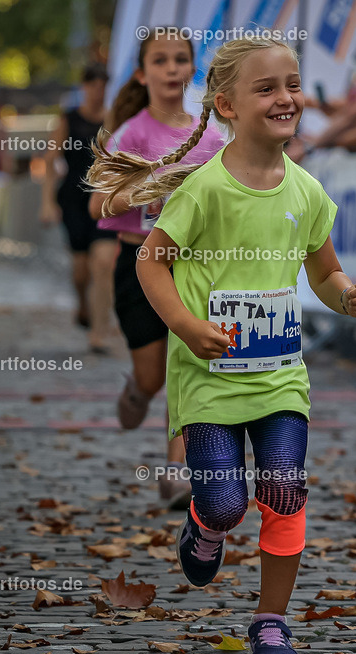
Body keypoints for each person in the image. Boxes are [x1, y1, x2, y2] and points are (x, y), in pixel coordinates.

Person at [89, 37, 356, 654]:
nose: (286, 98)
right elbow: (150, 261)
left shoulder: (306, 190)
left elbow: (323, 274)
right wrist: (188, 327)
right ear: (225, 105)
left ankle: (270, 623)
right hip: (209, 380)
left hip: (280, 380)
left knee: (284, 489)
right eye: (267, 88)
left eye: (292, 84)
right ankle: (207, 524)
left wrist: (347, 296)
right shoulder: (204, 190)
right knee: (225, 501)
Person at [86, 30, 225, 509]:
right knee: (154, 376)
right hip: (140, 262)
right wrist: (151, 187)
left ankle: (177, 472)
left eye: (180, 59)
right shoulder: (132, 134)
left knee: (188, 366)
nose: (171, 68)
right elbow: (98, 208)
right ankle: (135, 390)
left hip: (195, 268)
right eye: (160, 61)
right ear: (143, 74)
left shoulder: (211, 135)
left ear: (191, 70)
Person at [41, 63, 115, 353]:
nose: (98, 92)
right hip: (72, 199)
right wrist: (47, 202)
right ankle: (83, 304)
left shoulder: (112, 121)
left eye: (103, 86)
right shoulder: (68, 120)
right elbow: (50, 160)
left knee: (104, 262)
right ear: (84, 87)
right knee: (81, 270)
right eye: (93, 85)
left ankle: (99, 333)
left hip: (103, 201)